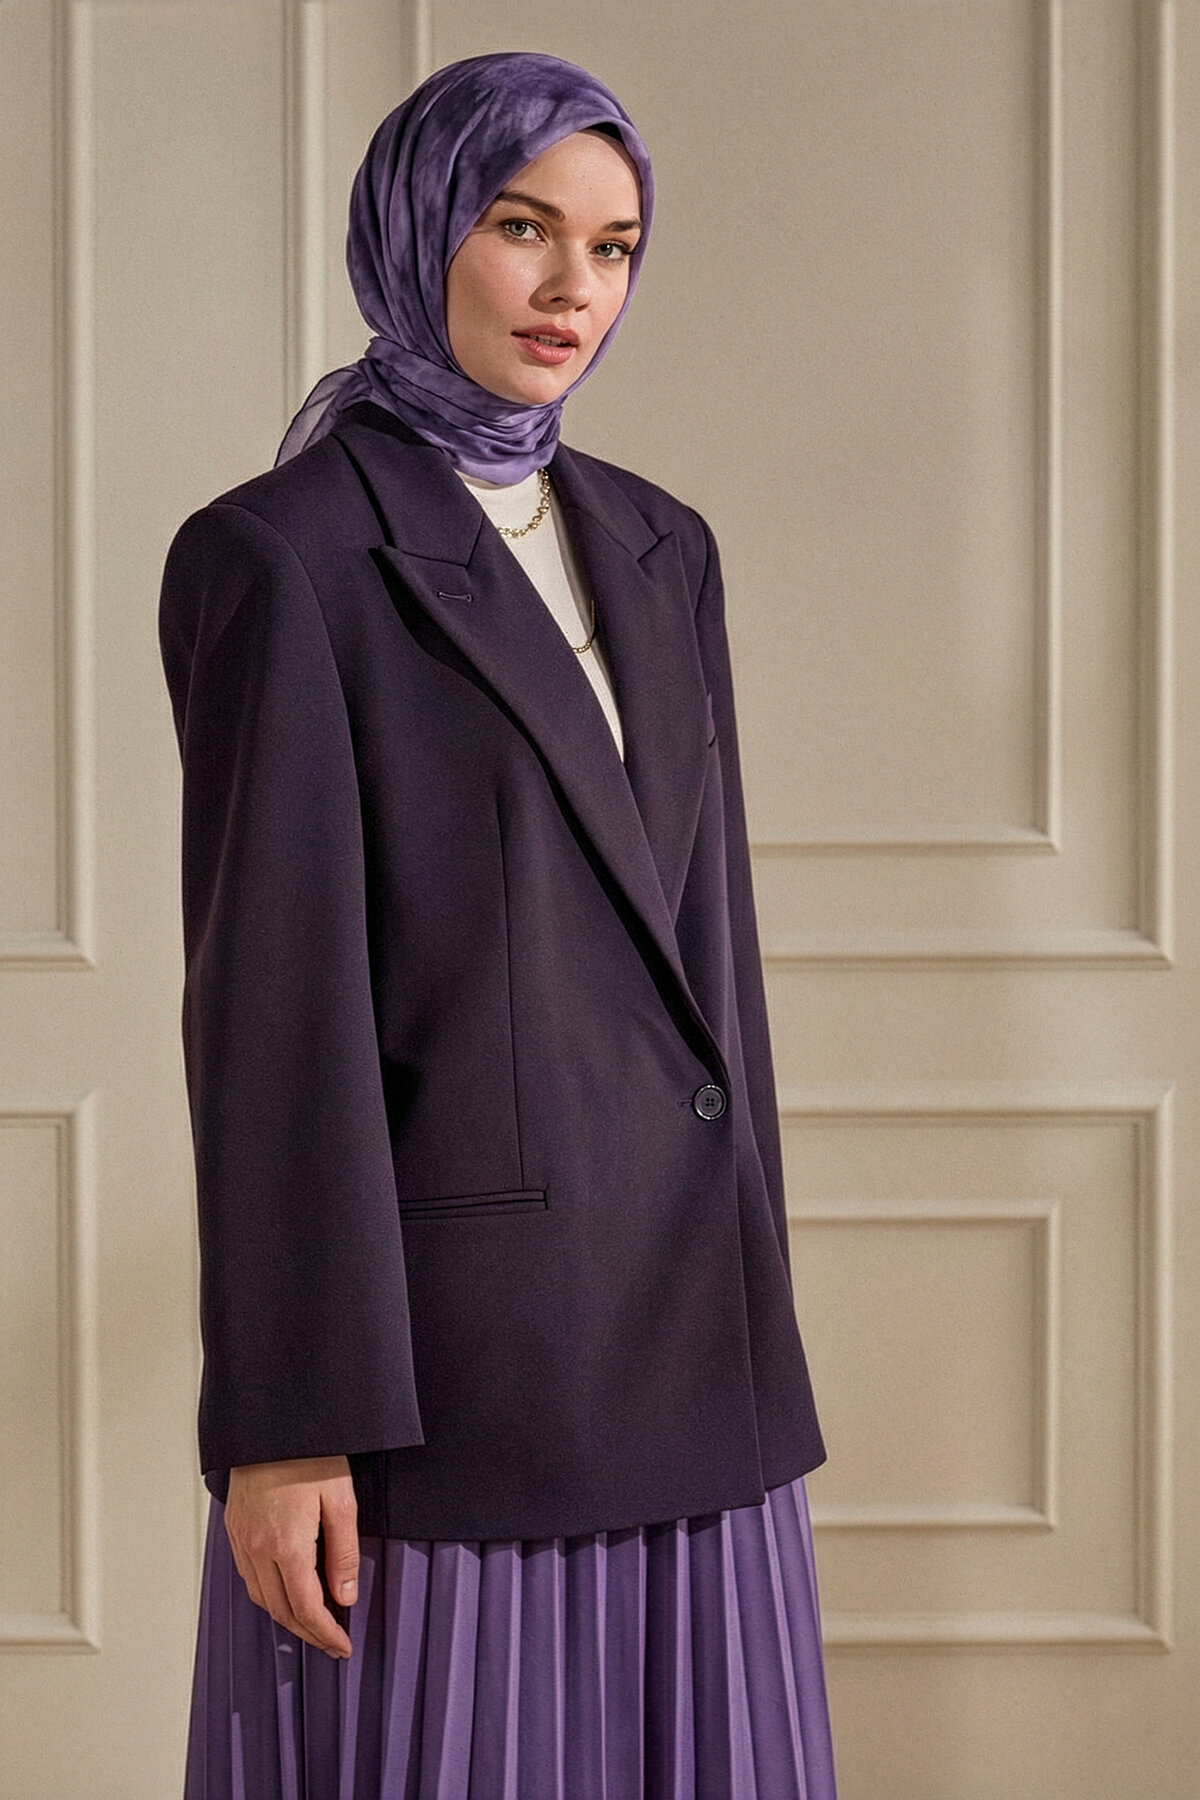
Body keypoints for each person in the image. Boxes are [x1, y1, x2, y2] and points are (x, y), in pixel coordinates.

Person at [160, 50, 837, 1800]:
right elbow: (274, 1024)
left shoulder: (663, 545)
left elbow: (711, 963)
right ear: (418, 229)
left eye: (612, 248)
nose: (571, 289)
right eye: (522, 226)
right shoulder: (284, 557)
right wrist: (286, 1425)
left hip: (698, 1345)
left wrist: (755, 1289)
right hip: (460, 1384)